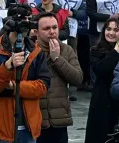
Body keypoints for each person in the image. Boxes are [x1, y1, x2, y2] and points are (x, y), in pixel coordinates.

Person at [0, 7, 51, 143]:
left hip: (28, 125)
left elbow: (43, 86)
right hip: (0, 127)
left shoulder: (36, 51)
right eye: (23, 21)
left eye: (29, 20)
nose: (26, 25)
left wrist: (14, 87)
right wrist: (7, 67)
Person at [35, 12, 83, 143]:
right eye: (46, 28)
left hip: (59, 118)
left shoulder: (66, 50)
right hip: (36, 119)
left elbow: (78, 78)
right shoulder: (31, 50)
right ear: (37, 32)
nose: (52, 32)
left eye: (54, 27)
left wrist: (57, 58)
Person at [85, 17, 119, 143]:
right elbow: (102, 70)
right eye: (108, 29)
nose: (111, 33)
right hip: (102, 100)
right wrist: (115, 51)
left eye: (116, 30)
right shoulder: (95, 50)